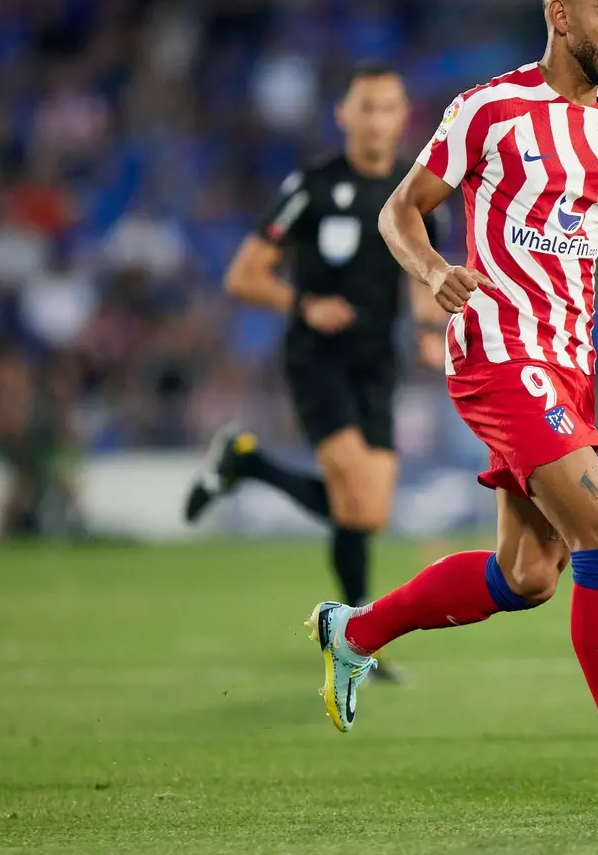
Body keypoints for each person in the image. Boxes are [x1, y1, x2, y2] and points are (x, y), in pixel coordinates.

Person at [304, 0, 598, 813]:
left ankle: (354, 631)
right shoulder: (488, 110)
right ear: (561, 16)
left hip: (568, 366)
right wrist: (433, 271)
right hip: (498, 354)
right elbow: (399, 209)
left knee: (530, 577)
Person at [185, 63, 446, 685]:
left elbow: (421, 286)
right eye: (366, 107)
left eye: (388, 108)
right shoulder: (312, 187)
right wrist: (304, 304)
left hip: (376, 364)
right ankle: (359, 643)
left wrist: (434, 333)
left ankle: (246, 464)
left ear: (402, 117)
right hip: (317, 358)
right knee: (354, 489)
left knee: (368, 513)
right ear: (345, 116)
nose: (377, 120)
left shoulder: (418, 198)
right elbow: (244, 274)